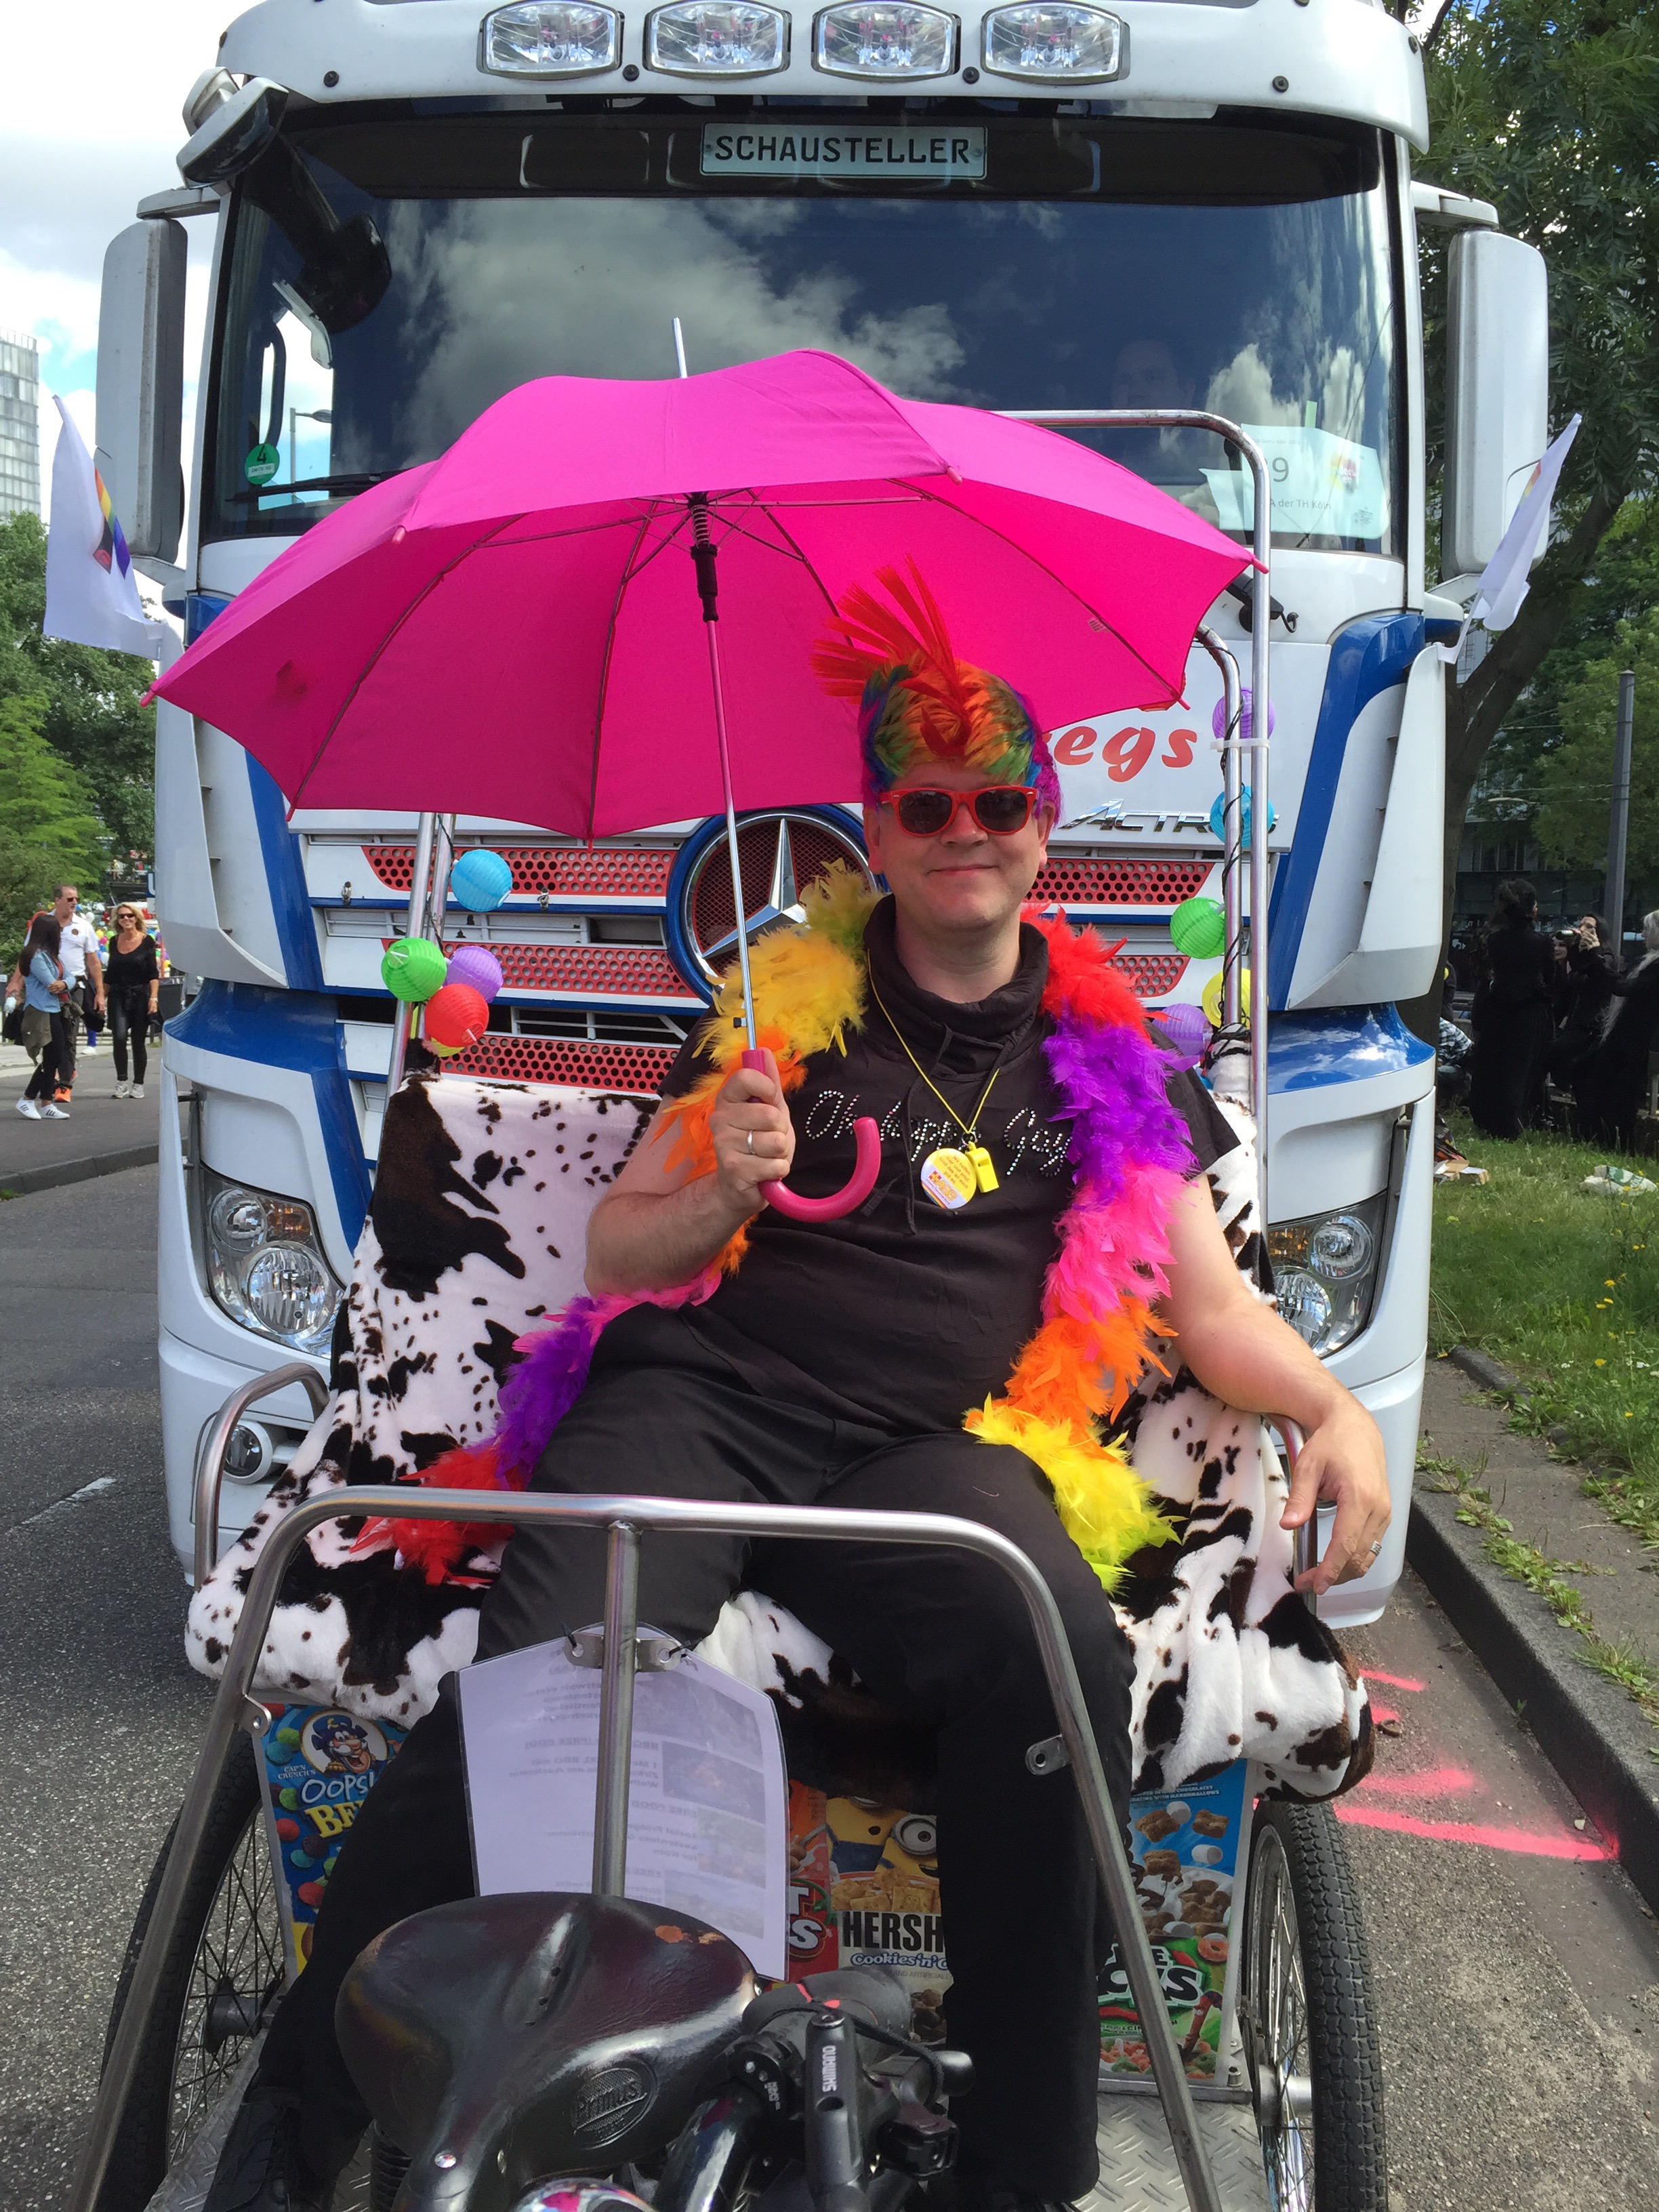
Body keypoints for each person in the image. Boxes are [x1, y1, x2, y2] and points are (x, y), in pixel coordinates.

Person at [205, 573, 1390, 2212]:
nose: (963, 832)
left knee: (1053, 1653)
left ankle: (1017, 2173)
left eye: (996, 803)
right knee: (540, 1690)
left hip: (932, 1460)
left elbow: (1209, 1309)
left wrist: (1334, 1409)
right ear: (875, 828)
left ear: (1042, 825)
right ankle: (305, 2124)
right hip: (702, 1406)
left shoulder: (1114, 1063)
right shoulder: (775, 1012)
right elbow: (619, 1250)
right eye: (927, 805)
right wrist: (719, 1185)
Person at [1467, 879, 1556, 1140]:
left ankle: (1488, 1117)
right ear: (1533, 909)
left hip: (1499, 1008)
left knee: (1496, 1064)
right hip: (1529, 1012)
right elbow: (1550, 979)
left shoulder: (1496, 940)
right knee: (1521, 1068)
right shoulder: (1542, 943)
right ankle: (1512, 1120)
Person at [1574, 909, 1659, 1150]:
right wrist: (1590, 955)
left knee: (1622, 1098)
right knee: (1592, 1078)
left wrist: (1596, 955)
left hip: (1636, 1041)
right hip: (1623, 1036)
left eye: (1647, 930)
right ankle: (1598, 1136)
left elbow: (1621, 987)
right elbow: (1615, 980)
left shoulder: (1655, 967)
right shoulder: (1646, 961)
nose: (1642, 935)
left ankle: (1614, 1142)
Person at [46, 883, 103, 1100]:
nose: (75, 903)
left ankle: (64, 1083)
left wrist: (100, 993)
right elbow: (28, 954)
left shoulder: (84, 926)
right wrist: (16, 983)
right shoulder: (44, 923)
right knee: (49, 1034)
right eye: (70, 899)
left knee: (69, 1033)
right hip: (47, 985)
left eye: (76, 899)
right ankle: (52, 1075)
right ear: (57, 900)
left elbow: (94, 962)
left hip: (74, 986)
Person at [14, 914, 72, 1122]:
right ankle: (28, 1098)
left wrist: (65, 983)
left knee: (55, 1055)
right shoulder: (36, 956)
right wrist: (64, 983)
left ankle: (47, 1102)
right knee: (53, 1055)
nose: (61, 934)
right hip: (41, 1010)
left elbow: (70, 977)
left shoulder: (52, 956)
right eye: (59, 931)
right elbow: (50, 983)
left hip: (54, 1008)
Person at [1550, 914, 1616, 1085]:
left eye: (1589, 927)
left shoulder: (1606, 958)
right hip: (1575, 1023)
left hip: (1591, 1028)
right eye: (1581, 925)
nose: (1582, 929)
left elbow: (1605, 978)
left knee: (1555, 1053)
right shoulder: (1583, 958)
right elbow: (1572, 981)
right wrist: (1572, 948)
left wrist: (1594, 952)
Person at [104, 901, 161, 1099]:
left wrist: (154, 998)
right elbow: (110, 974)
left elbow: (153, 974)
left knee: (138, 1041)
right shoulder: (114, 941)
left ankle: (139, 1083)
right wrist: (101, 997)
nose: (126, 919)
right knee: (119, 1037)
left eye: (130, 915)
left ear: (136, 918)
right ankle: (122, 1081)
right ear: (117, 920)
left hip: (141, 995)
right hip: (118, 994)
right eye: (122, 916)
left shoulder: (147, 941)